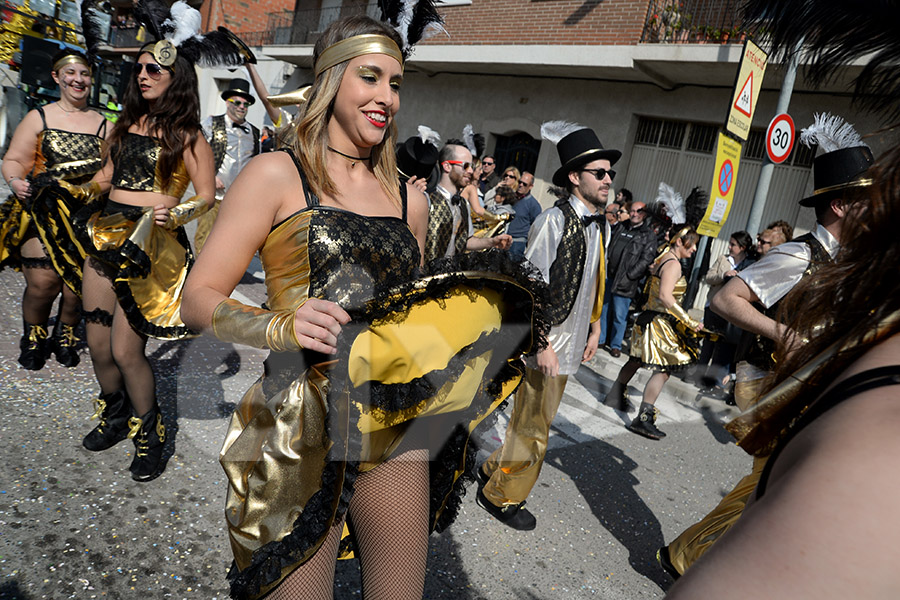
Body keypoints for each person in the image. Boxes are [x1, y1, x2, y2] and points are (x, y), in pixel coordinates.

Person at [180, 15, 544, 600]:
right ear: (329, 81)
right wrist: (278, 324)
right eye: (370, 77)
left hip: (392, 418)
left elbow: (415, 315)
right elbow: (197, 300)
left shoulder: (410, 199)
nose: (386, 98)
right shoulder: (276, 173)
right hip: (298, 423)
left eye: (396, 84)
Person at [659, 113, 873, 578]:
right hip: (769, 377)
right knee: (778, 478)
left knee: (775, 481)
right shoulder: (798, 255)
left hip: (804, 381)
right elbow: (724, 298)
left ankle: (689, 557)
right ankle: (692, 562)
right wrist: (783, 334)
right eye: (866, 201)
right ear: (839, 205)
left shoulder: (846, 262)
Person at [53, 5, 250, 481]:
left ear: (174, 76)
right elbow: (104, 179)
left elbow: (206, 195)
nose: (142, 75)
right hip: (107, 234)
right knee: (97, 345)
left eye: (152, 69)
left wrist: (175, 213)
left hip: (153, 246)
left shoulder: (188, 135)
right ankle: (116, 412)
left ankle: (151, 432)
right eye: (138, 68)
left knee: (125, 350)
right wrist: (68, 187)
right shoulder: (124, 126)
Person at [477, 121, 617, 530]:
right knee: (535, 425)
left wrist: (593, 328)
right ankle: (502, 497)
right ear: (575, 178)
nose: (608, 180)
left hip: (572, 341)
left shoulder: (601, 224)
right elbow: (529, 286)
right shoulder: (552, 222)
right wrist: (541, 343)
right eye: (600, 173)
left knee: (533, 419)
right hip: (548, 342)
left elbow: (595, 278)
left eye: (610, 173)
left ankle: (495, 472)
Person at [0, 48, 110, 371]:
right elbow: (15, 160)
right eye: (71, 74)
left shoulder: (106, 125)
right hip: (43, 213)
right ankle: (33, 336)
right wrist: (15, 181)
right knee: (43, 283)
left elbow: (111, 173)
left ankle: (66, 333)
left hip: (87, 217)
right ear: (57, 77)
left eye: (84, 74)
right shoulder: (40, 117)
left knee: (77, 289)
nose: (78, 80)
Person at [604, 227, 703, 438]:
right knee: (664, 369)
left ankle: (615, 394)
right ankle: (644, 417)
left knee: (636, 360)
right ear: (679, 241)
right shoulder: (673, 264)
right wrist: (688, 320)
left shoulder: (663, 256)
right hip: (658, 322)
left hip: (648, 318)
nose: (694, 249)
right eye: (691, 243)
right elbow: (666, 296)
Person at [193, 78, 261, 252]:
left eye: (245, 104)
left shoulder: (254, 132)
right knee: (205, 235)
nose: (241, 107)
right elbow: (196, 155)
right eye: (237, 102)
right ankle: (199, 274)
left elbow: (255, 162)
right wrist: (210, 177)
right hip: (214, 194)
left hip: (239, 198)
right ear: (227, 102)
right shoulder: (210, 124)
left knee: (232, 238)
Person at [423, 142, 511, 263]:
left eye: (472, 167)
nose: (470, 171)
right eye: (465, 166)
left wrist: (492, 241)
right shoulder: (426, 198)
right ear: (447, 166)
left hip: (450, 275)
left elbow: (467, 241)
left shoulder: (463, 204)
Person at [695, 230, 755, 396]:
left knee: (721, 347)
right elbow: (709, 277)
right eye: (729, 243)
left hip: (730, 312)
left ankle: (712, 381)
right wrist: (724, 275)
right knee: (707, 343)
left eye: (733, 245)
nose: (729, 247)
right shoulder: (723, 259)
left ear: (742, 247)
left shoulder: (749, 264)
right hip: (713, 306)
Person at [598, 200, 657, 358]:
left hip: (626, 282)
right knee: (603, 309)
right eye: (632, 210)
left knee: (619, 315)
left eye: (638, 211)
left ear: (644, 214)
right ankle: (601, 339)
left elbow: (646, 259)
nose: (634, 214)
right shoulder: (621, 227)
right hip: (609, 276)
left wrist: (631, 275)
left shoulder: (648, 235)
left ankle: (616, 345)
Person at [507, 170, 542, 259]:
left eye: (525, 184)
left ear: (531, 186)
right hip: (503, 240)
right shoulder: (510, 197)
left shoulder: (533, 205)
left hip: (517, 244)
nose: (521, 185)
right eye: (520, 182)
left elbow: (536, 227)